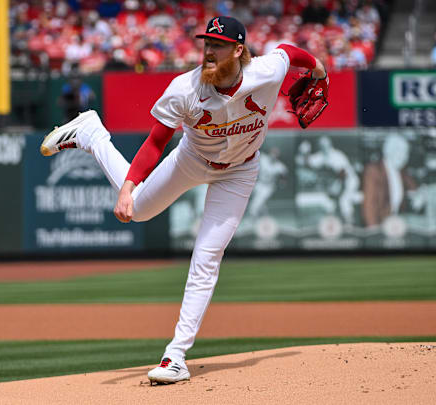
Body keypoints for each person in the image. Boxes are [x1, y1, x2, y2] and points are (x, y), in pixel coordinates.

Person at [40, 16, 328, 384]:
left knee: (207, 256)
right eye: (206, 43)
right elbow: (156, 142)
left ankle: (175, 357)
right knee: (139, 211)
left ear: (239, 51)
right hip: (192, 159)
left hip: (240, 171)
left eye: (218, 45)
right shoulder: (184, 89)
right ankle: (93, 133)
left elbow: (289, 51)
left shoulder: (266, 72)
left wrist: (317, 68)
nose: (208, 50)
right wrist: (128, 188)